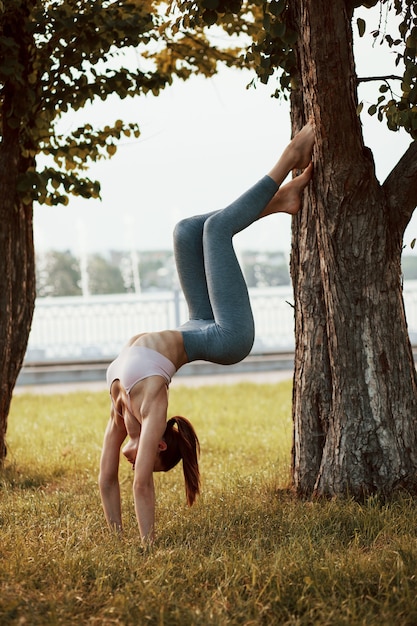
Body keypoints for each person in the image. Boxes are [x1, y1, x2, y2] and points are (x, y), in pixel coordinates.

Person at [99, 122, 315, 544]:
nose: (132, 464)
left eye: (135, 461)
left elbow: (106, 480)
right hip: (227, 336)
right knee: (216, 230)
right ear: (158, 447)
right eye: (143, 460)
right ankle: (288, 159)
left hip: (197, 323)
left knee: (184, 231)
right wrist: (146, 546)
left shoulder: (119, 410)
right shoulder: (152, 411)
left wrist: (115, 539)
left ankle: (281, 201)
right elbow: (141, 486)